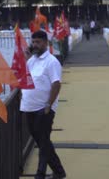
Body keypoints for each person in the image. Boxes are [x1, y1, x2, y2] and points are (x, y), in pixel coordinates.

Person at [21, 31, 66, 179]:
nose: (35, 45)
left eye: (38, 42)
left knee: (43, 140)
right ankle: (59, 171)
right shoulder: (31, 60)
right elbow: (24, 77)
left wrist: (48, 105)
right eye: (33, 42)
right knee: (42, 141)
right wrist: (26, 58)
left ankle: (40, 174)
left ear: (46, 43)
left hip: (44, 109)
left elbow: (56, 84)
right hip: (29, 107)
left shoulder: (52, 62)